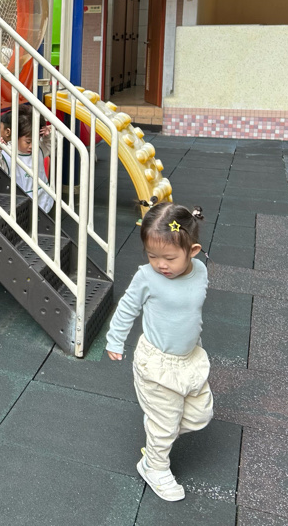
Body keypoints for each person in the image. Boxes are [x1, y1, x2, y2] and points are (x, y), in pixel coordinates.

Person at [105, 202, 212, 503]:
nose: (161, 264)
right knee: (165, 425)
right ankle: (155, 466)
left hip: (190, 359)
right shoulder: (147, 277)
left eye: (169, 258)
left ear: (193, 251)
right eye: (153, 256)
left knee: (200, 415)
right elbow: (127, 307)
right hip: (156, 363)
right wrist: (115, 340)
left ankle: (157, 437)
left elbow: (190, 311)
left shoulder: (200, 271)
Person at [0, 108, 54, 214]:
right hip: (21, 204)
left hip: (44, 201)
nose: (32, 146)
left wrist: (48, 134)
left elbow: (52, 144)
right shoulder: (7, 152)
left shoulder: (39, 148)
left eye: (36, 141)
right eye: (28, 142)